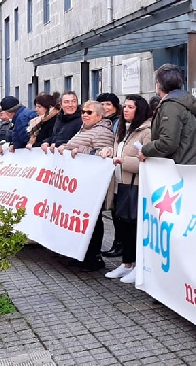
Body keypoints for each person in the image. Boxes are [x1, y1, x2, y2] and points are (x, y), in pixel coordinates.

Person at [100, 95, 153, 283]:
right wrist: (107, 151)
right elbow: (117, 150)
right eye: (126, 106)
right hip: (119, 183)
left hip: (135, 184)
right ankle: (127, 263)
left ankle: (138, 265)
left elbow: (146, 162)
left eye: (131, 107)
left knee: (133, 226)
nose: (126, 110)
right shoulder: (123, 129)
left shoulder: (146, 131)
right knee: (121, 225)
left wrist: (124, 162)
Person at [58, 100, 115, 271]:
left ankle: (93, 257)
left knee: (93, 221)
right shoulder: (85, 129)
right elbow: (74, 146)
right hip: (78, 183)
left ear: (99, 116)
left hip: (91, 184)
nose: (84, 114)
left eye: (89, 112)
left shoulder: (102, 132)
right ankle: (81, 254)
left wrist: (80, 152)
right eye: (83, 111)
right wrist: (63, 148)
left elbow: (102, 155)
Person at [139, 64, 196, 164]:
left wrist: (145, 150)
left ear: (159, 84)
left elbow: (168, 142)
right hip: (186, 164)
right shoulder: (181, 102)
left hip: (178, 168)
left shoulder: (171, 106)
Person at [96, 92, 123, 258]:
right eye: (102, 105)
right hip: (107, 169)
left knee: (116, 209)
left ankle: (119, 244)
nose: (105, 108)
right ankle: (116, 243)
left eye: (108, 104)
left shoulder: (117, 122)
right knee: (112, 208)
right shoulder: (102, 122)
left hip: (116, 169)